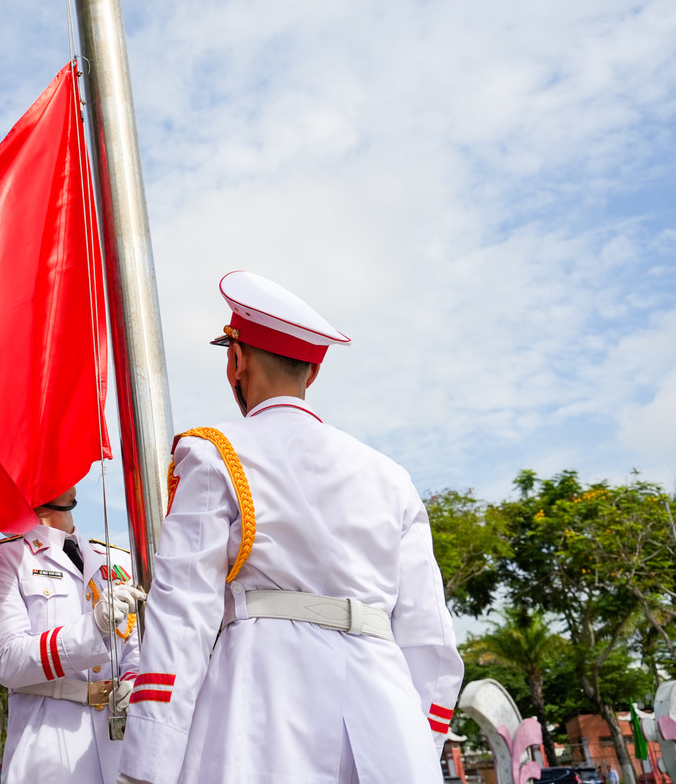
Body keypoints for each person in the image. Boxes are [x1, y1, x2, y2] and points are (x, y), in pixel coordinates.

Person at [118, 270, 464, 784]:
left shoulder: (215, 453)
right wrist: (416, 740)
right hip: (386, 712)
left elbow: (183, 614)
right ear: (312, 374)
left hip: (262, 703)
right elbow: (431, 637)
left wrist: (149, 759)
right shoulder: (391, 477)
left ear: (236, 360)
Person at [0, 484, 144, 784]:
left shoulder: (116, 560)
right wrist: (93, 629)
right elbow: (6, 660)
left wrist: (134, 681)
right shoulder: (5, 558)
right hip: (48, 743)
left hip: (121, 743)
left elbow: (137, 645)